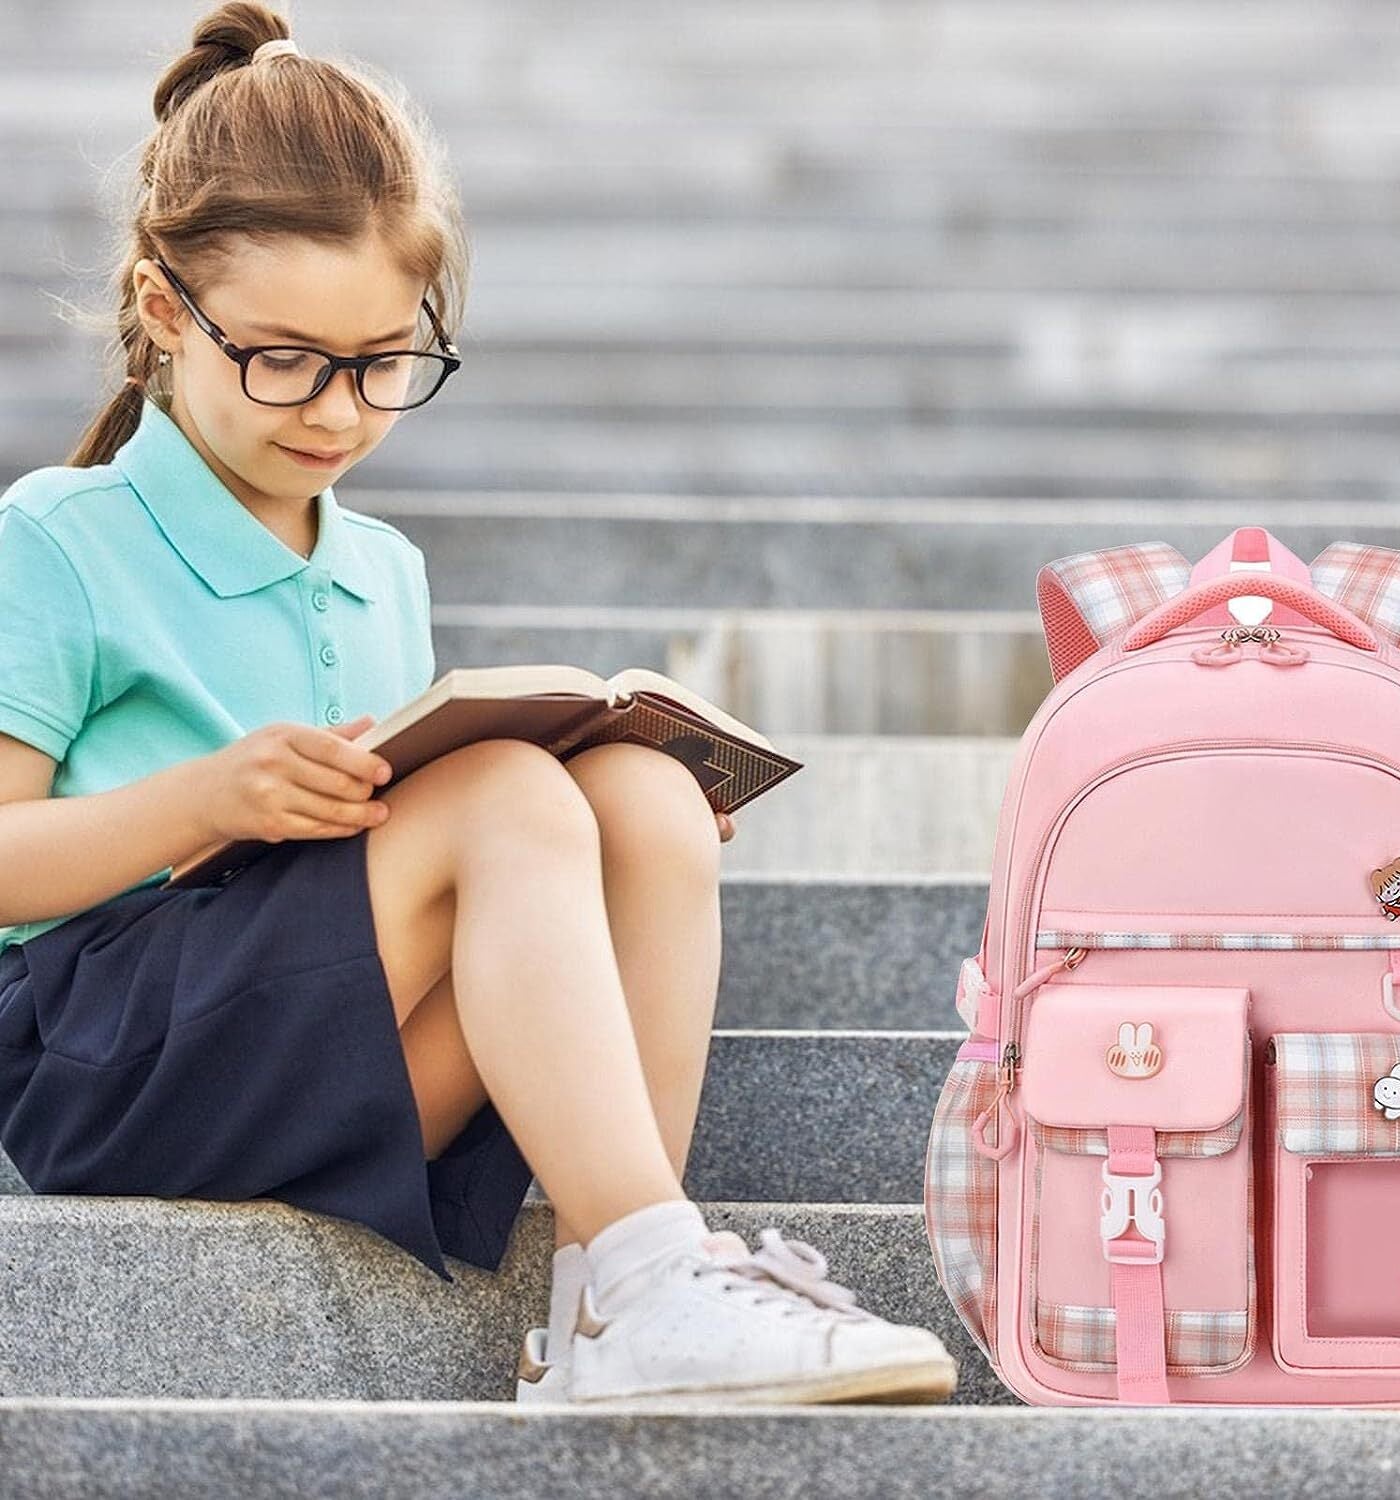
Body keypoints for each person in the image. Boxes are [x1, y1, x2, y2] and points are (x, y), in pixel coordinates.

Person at [0, 3, 957, 1406]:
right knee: (511, 798)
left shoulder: (383, 565)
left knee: (636, 796)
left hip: (319, 1040)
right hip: (117, 1062)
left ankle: (610, 1299)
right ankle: (650, 1270)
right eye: (285, 360)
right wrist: (204, 801)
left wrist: (617, 831)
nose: (337, 409)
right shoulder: (60, 537)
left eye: (386, 362)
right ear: (164, 312)